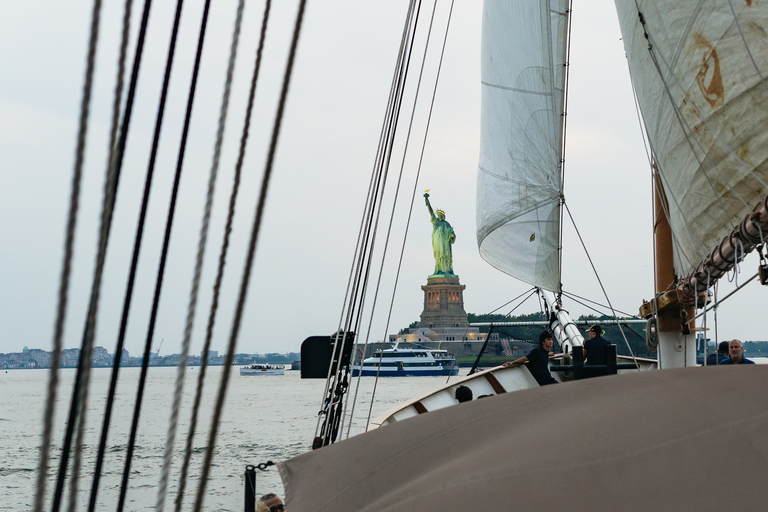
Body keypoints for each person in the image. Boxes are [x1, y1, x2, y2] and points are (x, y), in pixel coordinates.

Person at [424, 192, 456, 276]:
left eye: (441, 215)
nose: (440, 216)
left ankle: (446, 271)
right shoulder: (436, 222)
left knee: (445, 256)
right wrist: (428, 202)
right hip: (437, 242)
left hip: (445, 243)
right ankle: (438, 270)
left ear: (444, 216)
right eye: (438, 215)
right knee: (438, 256)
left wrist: (452, 236)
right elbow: (431, 212)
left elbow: (452, 234)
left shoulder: (446, 224)